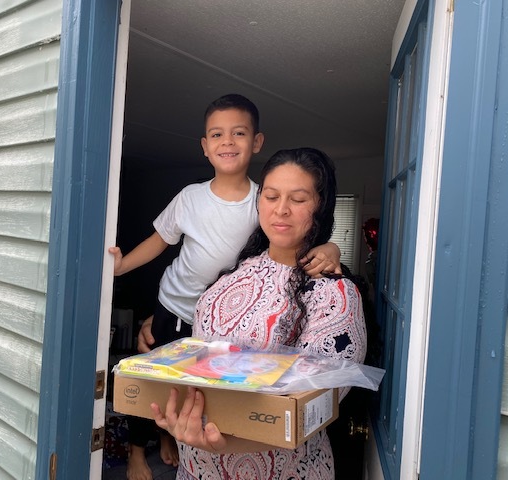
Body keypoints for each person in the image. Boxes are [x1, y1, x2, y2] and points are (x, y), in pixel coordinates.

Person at [110, 95, 342, 480]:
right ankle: (139, 452)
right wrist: (121, 268)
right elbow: (159, 239)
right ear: (204, 146)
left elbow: (294, 234)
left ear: (257, 141)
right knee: (154, 386)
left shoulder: (263, 200)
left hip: (223, 322)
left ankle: (173, 439)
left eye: (239, 133)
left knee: (199, 388)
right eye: (216, 134)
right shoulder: (190, 197)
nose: (227, 141)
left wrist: (330, 247)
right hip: (175, 305)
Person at [151, 147, 368, 480]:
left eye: (297, 199)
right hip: (197, 469)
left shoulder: (333, 295)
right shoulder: (231, 276)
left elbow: (308, 411)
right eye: (271, 196)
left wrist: (222, 444)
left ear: (321, 206)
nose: (280, 210)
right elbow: (197, 357)